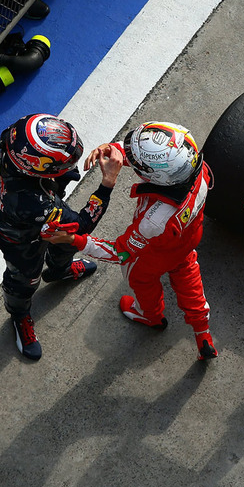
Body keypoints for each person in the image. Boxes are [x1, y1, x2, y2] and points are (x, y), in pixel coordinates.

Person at [46, 122, 218, 361]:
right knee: (189, 278)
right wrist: (113, 149)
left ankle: (151, 316)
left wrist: (74, 240)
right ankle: (203, 335)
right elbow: (159, 164)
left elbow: (119, 253)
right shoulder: (196, 166)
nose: (126, 156)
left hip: (153, 255)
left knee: (141, 281)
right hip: (187, 241)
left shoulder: (153, 221)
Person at [0, 113, 123, 361]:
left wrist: (57, 175)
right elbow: (82, 225)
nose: (72, 166)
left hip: (35, 210)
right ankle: (19, 315)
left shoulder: (11, 140)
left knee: (64, 243)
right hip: (20, 239)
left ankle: (58, 270)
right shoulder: (33, 203)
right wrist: (108, 182)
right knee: (25, 278)